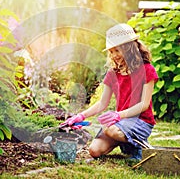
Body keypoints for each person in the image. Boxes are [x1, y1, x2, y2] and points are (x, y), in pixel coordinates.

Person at [63, 23, 159, 163]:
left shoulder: (147, 70)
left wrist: (118, 115)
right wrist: (80, 116)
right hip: (121, 122)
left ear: (130, 48)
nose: (114, 56)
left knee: (110, 129)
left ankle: (138, 146)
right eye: (111, 52)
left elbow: (144, 105)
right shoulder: (113, 73)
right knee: (94, 151)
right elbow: (102, 103)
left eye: (117, 50)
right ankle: (127, 142)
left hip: (141, 121)